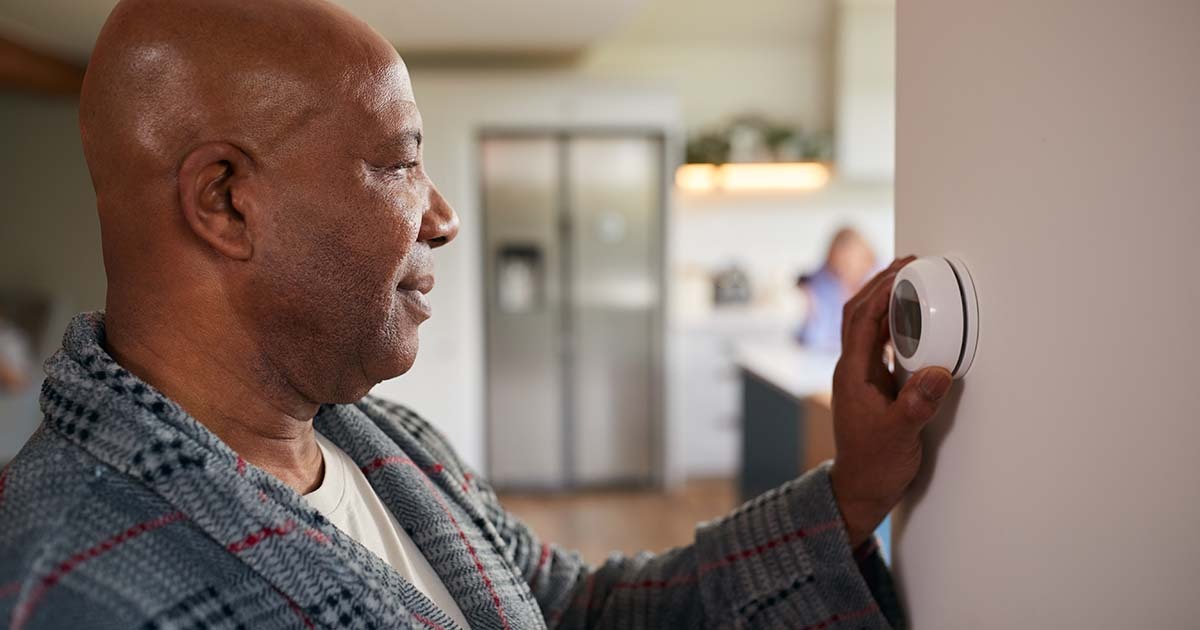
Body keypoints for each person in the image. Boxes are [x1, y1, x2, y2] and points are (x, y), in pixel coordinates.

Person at [0, 1, 954, 628]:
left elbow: (574, 613)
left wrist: (851, 492)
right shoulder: (69, 589)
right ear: (226, 203)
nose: (446, 218)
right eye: (397, 163)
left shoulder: (388, 441)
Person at [796, 227, 879, 352]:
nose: (842, 272)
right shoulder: (824, 285)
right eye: (837, 266)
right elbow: (813, 338)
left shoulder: (880, 282)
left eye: (848, 263)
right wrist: (811, 304)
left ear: (865, 260)